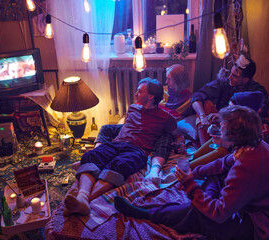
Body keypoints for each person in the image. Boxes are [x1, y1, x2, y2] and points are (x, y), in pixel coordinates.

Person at [114, 105, 269, 240]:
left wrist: (190, 184)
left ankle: (145, 213)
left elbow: (219, 213)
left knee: (199, 214)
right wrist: (194, 172)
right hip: (257, 211)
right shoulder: (253, 146)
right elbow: (223, 162)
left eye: (222, 128)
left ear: (235, 135)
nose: (218, 130)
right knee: (217, 174)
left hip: (262, 229)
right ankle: (202, 201)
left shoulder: (248, 165)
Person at [63, 77, 184, 216]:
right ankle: (82, 197)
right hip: (117, 144)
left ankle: (84, 201)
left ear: (151, 96)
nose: (135, 94)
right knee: (90, 156)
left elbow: (178, 135)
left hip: (137, 150)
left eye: (139, 91)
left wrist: (180, 144)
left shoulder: (166, 118)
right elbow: (125, 127)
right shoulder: (132, 108)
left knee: (120, 164)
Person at [190, 91, 269, 169]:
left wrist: (226, 144)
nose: (228, 112)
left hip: (261, 171)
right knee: (219, 140)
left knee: (222, 149)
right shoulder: (248, 125)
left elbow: (244, 156)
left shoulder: (260, 133)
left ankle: (189, 167)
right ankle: (191, 159)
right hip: (246, 161)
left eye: (231, 110)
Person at [191, 54, 269, 145]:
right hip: (222, 124)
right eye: (230, 73)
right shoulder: (225, 83)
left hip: (240, 129)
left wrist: (227, 117)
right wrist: (203, 116)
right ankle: (204, 147)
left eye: (234, 76)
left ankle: (216, 150)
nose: (230, 77)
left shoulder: (257, 91)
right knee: (205, 105)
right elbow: (197, 96)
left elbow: (260, 111)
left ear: (245, 80)